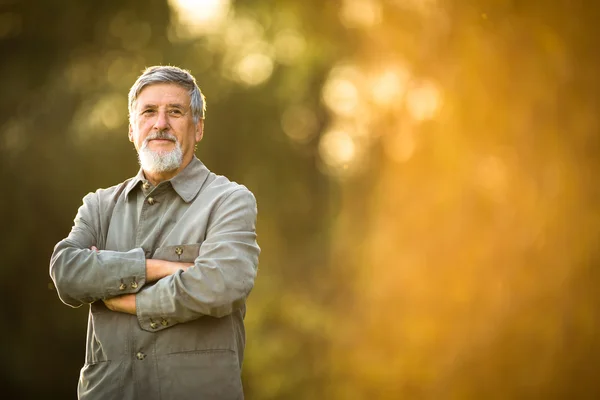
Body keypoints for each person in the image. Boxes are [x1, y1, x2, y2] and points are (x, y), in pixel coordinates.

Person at [49, 65, 260, 399]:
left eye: (175, 112)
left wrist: (127, 300)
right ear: (132, 129)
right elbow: (67, 273)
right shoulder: (99, 205)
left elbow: (222, 284)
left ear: (198, 128)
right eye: (148, 112)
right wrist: (156, 268)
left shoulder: (229, 201)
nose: (160, 123)